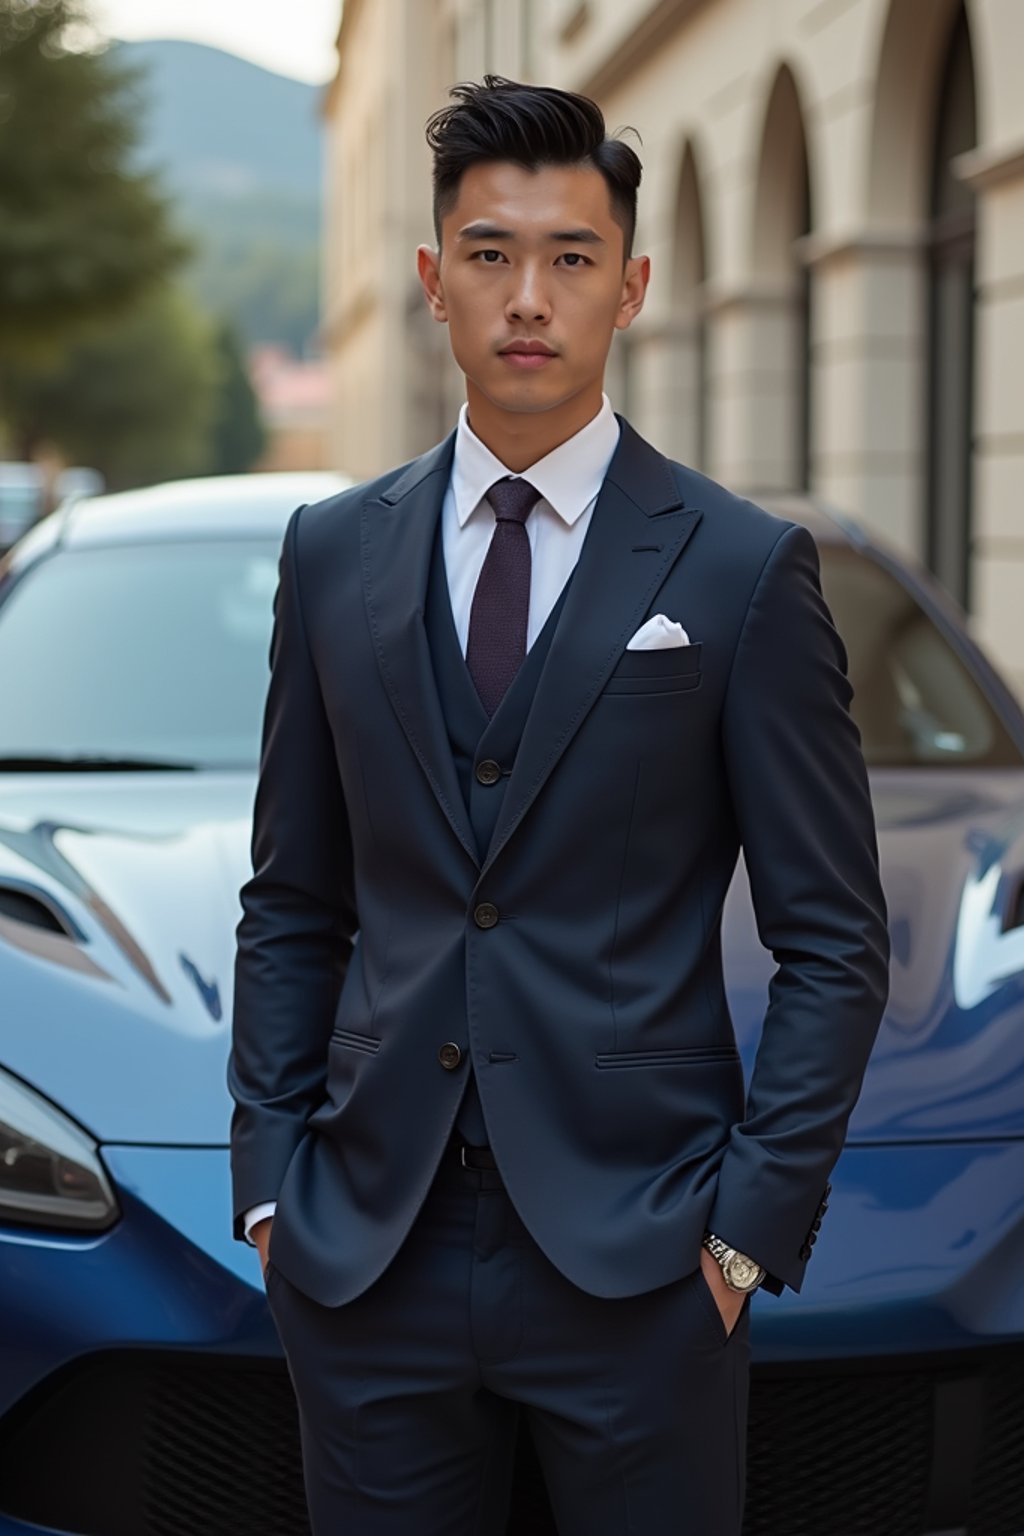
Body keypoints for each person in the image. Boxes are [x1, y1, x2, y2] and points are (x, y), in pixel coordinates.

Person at [227, 74, 890, 1536]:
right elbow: (293, 897)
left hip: (647, 1269)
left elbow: (836, 939)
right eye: (490, 255)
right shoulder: (333, 554)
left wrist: (745, 1232)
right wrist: (270, 1178)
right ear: (433, 283)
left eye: (571, 259)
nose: (529, 296)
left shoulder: (738, 569)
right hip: (369, 1251)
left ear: (632, 287)